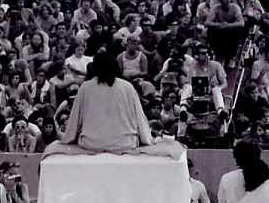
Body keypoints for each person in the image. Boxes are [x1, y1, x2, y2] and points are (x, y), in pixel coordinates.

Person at [47, 51, 182, 157]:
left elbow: (75, 121)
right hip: (125, 143)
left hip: (92, 143)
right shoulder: (127, 87)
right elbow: (140, 118)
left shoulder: (86, 87)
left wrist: (68, 138)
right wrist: (147, 138)